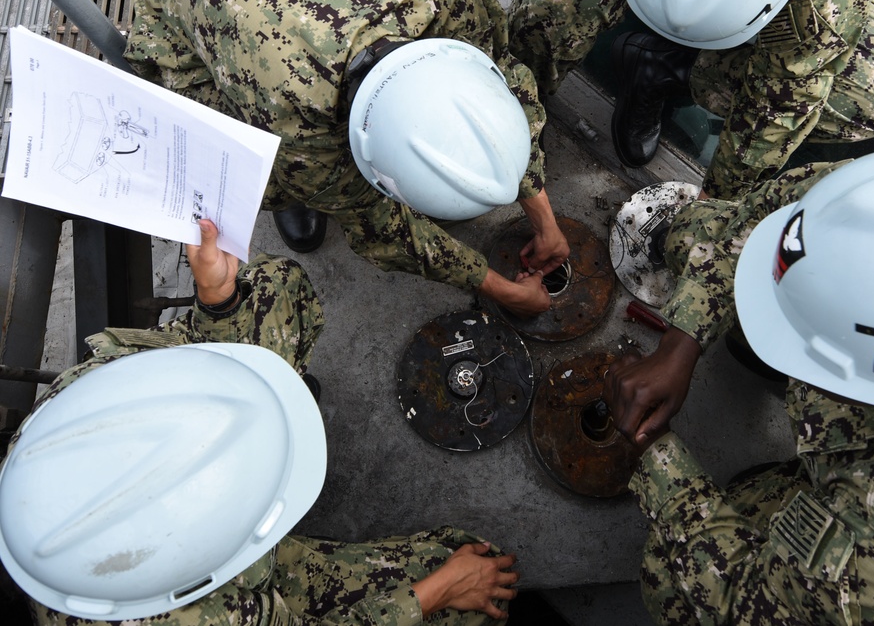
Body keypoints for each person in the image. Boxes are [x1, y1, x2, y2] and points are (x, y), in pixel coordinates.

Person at [0, 219, 518, 625]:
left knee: (268, 288)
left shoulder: (76, 406)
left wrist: (217, 303)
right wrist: (437, 591)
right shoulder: (200, 617)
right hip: (227, 594)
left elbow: (186, 361)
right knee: (468, 585)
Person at [602, 146, 874, 623]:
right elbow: (759, 223)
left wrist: (658, 458)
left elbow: (744, 607)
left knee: (670, 583)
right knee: (699, 233)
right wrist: (680, 343)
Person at [122, 0, 570, 318]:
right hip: (181, 11)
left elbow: (503, 79)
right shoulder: (295, 123)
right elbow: (390, 233)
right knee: (251, 173)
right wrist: (506, 291)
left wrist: (543, 220)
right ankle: (296, 198)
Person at [508, 0, 874, 199]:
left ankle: (663, 69)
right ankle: (518, 129)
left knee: (870, 101)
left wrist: (715, 204)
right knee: (547, 14)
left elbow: (781, 104)